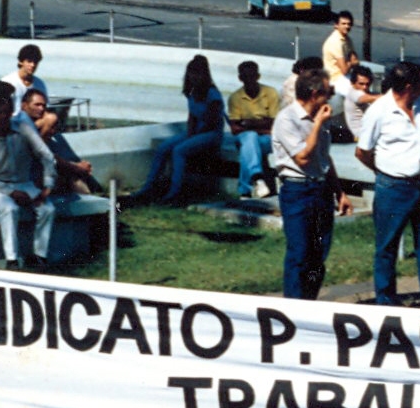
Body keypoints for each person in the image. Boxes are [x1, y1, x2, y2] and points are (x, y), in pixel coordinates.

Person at [356, 61, 420, 308]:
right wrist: (386, 172)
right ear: (409, 86)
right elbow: (363, 152)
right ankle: (387, 304)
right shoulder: (379, 111)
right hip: (394, 188)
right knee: (387, 249)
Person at [271, 69, 351, 300]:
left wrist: (339, 192)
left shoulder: (321, 118)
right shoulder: (287, 119)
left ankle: (310, 303)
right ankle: (294, 308)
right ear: (315, 93)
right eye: (328, 92)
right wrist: (317, 125)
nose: (330, 97)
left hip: (321, 188)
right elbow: (303, 157)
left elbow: (324, 158)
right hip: (298, 190)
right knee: (299, 253)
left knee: (319, 253)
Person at [134, 54, 224, 204]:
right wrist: (190, 132)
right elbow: (192, 116)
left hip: (211, 134)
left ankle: (175, 192)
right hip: (195, 132)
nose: (194, 77)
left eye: (197, 73)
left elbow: (212, 121)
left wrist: (193, 135)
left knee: (179, 150)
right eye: (191, 73)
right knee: (163, 148)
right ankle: (148, 187)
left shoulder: (212, 94)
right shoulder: (191, 92)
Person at [0, 82, 56, 269]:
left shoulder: (22, 127)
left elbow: (46, 155)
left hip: (24, 183)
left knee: (47, 209)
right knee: (9, 208)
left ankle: (39, 257)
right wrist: (10, 192)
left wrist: (47, 186)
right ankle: (12, 260)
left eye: (7, 112)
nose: (4, 117)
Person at [19, 88, 96, 195]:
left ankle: (89, 202)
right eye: (37, 105)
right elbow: (48, 156)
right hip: (24, 176)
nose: (41, 109)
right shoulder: (20, 127)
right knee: (70, 174)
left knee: (69, 174)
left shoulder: (29, 125)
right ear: (24, 106)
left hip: (35, 168)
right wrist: (76, 167)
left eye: (43, 106)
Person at [227, 60, 280, 200]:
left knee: (249, 146)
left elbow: (275, 123)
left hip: (266, 139)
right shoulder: (235, 98)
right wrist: (261, 125)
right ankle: (257, 177)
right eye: (245, 77)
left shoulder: (270, 93)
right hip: (248, 137)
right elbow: (235, 128)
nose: (249, 80)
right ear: (240, 78)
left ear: (258, 76)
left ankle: (245, 190)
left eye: (252, 76)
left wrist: (248, 124)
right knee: (250, 138)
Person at [3, 43, 55, 138]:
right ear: (21, 62)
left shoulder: (40, 83)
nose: (33, 65)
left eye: (35, 62)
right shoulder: (8, 82)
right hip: (13, 123)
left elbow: (45, 108)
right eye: (29, 61)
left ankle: (38, 146)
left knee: (51, 118)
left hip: (33, 123)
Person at [322, 10, 360, 97]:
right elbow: (344, 70)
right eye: (343, 24)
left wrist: (350, 63)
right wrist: (352, 63)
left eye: (349, 24)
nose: (347, 26)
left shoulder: (347, 39)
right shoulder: (335, 42)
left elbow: (356, 61)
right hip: (336, 79)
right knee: (357, 94)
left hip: (347, 76)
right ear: (336, 25)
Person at [341, 65, 380, 140]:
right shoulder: (353, 93)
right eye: (361, 84)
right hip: (363, 138)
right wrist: (393, 96)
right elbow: (363, 99)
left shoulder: (369, 94)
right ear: (353, 83)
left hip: (371, 135)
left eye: (367, 84)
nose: (365, 87)